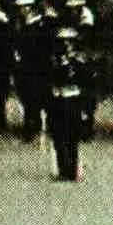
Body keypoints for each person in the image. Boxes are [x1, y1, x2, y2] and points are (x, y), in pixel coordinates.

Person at [46, 28, 88, 182]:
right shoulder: (54, 60)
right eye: (63, 42)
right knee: (58, 137)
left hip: (73, 100)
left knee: (72, 138)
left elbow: (83, 82)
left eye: (68, 42)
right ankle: (64, 169)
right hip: (58, 100)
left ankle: (72, 170)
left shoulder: (78, 62)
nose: (66, 45)